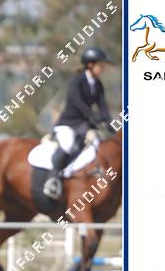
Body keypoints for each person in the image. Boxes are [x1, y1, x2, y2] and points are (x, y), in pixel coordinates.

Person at [43, 48, 113, 200]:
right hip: (68, 123)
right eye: (101, 65)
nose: (103, 68)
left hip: (84, 126)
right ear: (90, 65)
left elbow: (103, 106)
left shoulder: (98, 84)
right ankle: (52, 179)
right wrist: (92, 116)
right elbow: (77, 102)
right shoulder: (77, 80)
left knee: (97, 146)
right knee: (67, 144)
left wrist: (110, 122)